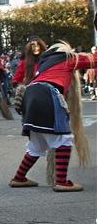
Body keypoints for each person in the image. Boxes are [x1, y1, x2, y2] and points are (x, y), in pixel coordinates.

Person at [9, 42, 94, 191]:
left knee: (37, 144)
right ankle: (62, 181)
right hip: (48, 93)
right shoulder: (66, 58)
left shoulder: (45, 64)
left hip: (30, 95)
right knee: (63, 139)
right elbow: (93, 60)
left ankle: (19, 177)